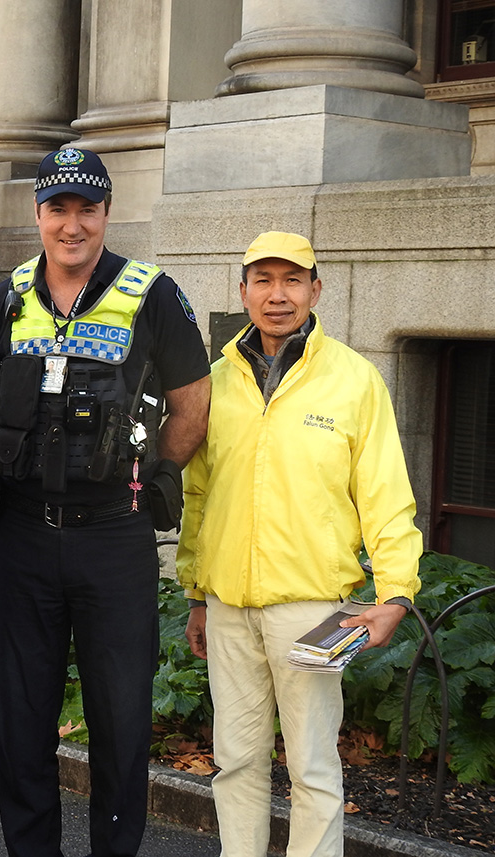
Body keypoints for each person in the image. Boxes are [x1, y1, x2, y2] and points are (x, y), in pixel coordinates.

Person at [0, 147, 211, 857]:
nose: (72, 225)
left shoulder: (152, 293)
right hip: (25, 534)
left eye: (87, 209)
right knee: (23, 717)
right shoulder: (4, 300)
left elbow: (193, 403)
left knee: (121, 718)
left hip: (114, 536)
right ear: (38, 213)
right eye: (58, 209)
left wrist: (160, 473)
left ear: (106, 212)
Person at [175, 231, 422, 857]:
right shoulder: (216, 380)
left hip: (311, 610)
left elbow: (385, 493)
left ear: (316, 290)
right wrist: (197, 594)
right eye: (263, 280)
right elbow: (199, 495)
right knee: (236, 763)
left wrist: (395, 593)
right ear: (243, 291)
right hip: (229, 608)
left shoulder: (355, 379)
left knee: (311, 768)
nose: (277, 295)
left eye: (292, 280)